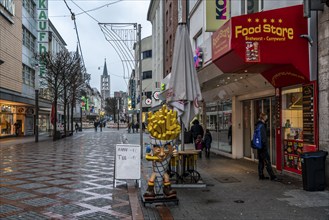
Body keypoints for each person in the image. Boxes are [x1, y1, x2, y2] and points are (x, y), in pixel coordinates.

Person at [256, 113, 279, 181]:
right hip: (263, 147)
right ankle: (272, 176)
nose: (267, 119)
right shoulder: (262, 126)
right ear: (264, 118)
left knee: (261, 161)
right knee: (267, 161)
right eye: (266, 118)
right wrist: (265, 146)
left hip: (259, 146)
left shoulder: (258, 125)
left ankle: (261, 175)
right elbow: (263, 138)